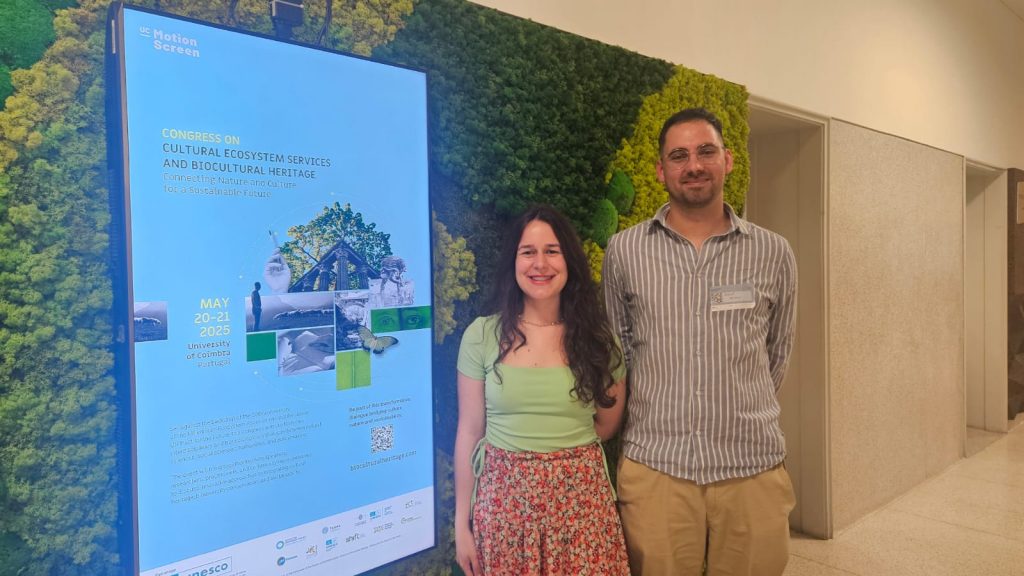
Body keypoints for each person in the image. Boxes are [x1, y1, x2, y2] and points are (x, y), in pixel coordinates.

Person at [603, 107, 798, 576]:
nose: (693, 165)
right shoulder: (625, 251)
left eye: (706, 151)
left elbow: (777, 352)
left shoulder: (773, 252)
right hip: (657, 470)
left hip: (751, 466)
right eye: (679, 156)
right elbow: (619, 352)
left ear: (727, 160)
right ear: (661, 169)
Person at [454, 205, 629, 576]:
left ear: (569, 260)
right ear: (513, 262)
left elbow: (607, 424)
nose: (540, 264)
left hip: (583, 516)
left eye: (552, 251)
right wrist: (461, 523)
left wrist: (559, 466)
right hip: (503, 518)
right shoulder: (481, 336)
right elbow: (469, 431)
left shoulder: (599, 341)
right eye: (528, 252)